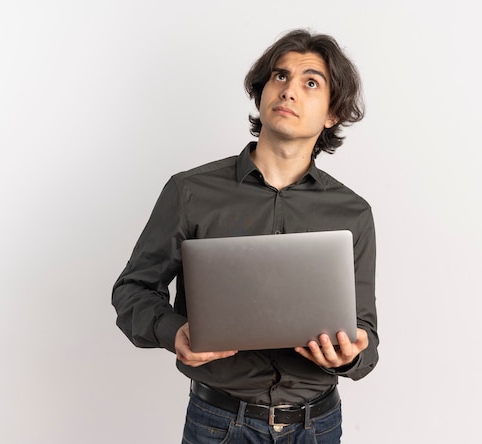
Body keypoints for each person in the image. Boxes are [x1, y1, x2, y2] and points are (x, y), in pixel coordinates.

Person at [112, 29, 379, 443]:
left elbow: (367, 340)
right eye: (279, 77)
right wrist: (174, 331)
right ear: (261, 93)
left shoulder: (353, 213)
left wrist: (350, 356)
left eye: (311, 82)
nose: (289, 90)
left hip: (318, 427)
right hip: (218, 423)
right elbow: (132, 290)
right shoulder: (190, 192)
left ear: (332, 114)